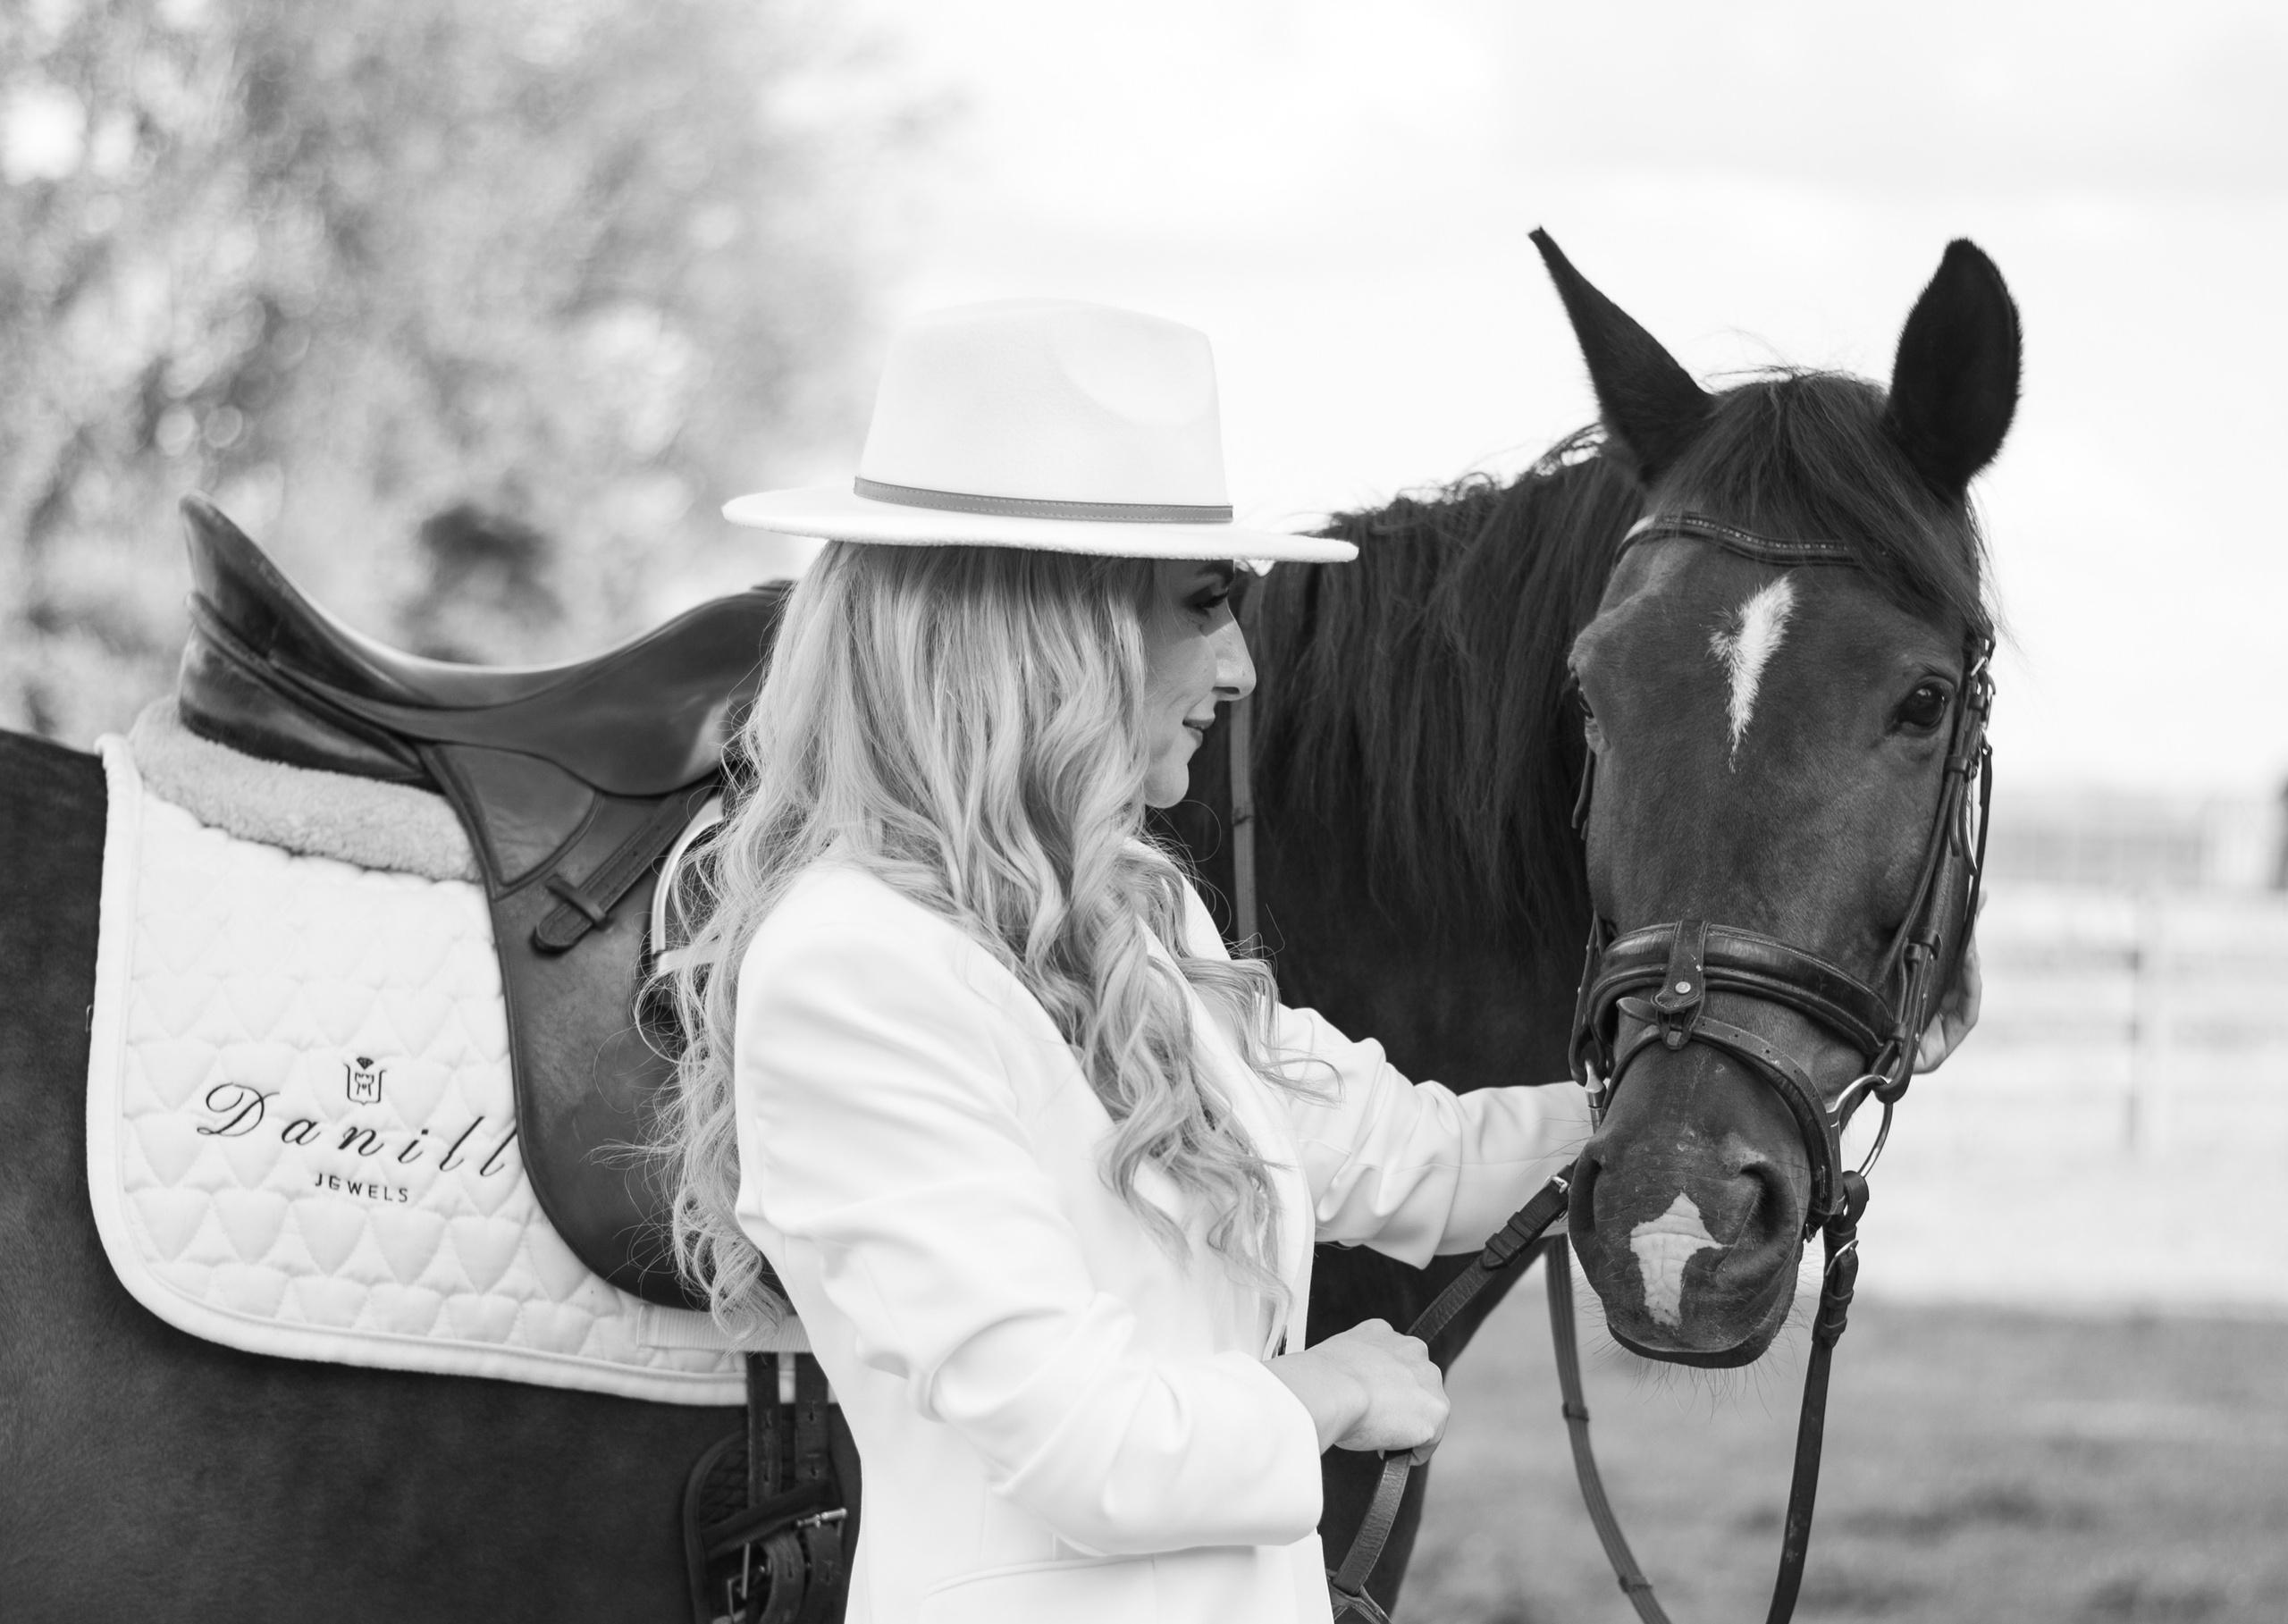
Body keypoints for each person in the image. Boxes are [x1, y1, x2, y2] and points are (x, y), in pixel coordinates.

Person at [652, 300, 1968, 1624]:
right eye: (1209, 603)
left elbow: (1414, 1158)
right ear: (1048, 633)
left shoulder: (1136, 920)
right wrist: (1331, 1389)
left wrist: (1715, 1083)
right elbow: (1077, 1446)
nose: (1239, 663)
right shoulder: (853, 970)